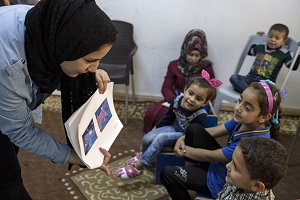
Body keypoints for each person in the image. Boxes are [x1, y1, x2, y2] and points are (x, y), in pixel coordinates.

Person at [0, 0, 119, 199]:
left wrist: (90, 76)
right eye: (90, 60)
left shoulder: (48, 25)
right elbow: (20, 130)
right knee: (8, 182)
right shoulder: (8, 67)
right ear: (65, 47)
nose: (95, 67)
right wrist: (71, 156)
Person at [160, 80, 282, 199]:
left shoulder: (252, 142)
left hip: (223, 181)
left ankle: (200, 180)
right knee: (194, 129)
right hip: (223, 165)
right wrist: (183, 138)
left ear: (264, 117)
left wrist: (183, 150)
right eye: (240, 100)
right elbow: (215, 131)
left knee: (167, 174)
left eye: (248, 108)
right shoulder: (243, 120)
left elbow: (210, 156)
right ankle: (195, 170)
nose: (238, 108)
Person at [115, 70, 222, 179]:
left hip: (184, 135)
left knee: (162, 138)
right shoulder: (176, 100)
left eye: (199, 99)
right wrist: (156, 127)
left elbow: (192, 133)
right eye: (190, 93)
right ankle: (143, 154)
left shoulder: (200, 114)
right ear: (185, 90)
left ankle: (139, 166)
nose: (192, 99)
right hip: (174, 127)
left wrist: (181, 140)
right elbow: (168, 117)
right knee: (148, 137)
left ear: (204, 103)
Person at [143, 29, 216, 133]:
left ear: (202, 55)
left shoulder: (206, 68)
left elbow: (212, 91)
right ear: (185, 51)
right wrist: (177, 101)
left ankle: (178, 140)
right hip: (175, 100)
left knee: (196, 120)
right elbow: (166, 87)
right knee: (154, 112)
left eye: (197, 55)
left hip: (195, 105)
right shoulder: (174, 65)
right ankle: (157, 136)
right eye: (190, 54)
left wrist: (199, 100)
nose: (193, 59)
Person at [230, 23, 300, 93]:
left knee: (268, 92)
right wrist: (257, 39)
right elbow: (248, 51)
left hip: (266, 84)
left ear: (284, 41)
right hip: (250, 79)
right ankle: (251, 94)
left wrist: (299, 54)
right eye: (270, 36)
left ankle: (247, 92)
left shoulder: (284, 53)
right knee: (234, 77)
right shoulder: (261, 47)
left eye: (277, 38)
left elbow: (293, 67)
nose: (272, 39)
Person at [215, 136, 288, 200]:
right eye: (232, 160)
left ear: (256, 186)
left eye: (236, 167)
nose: (227, 165)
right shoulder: (240, 182)